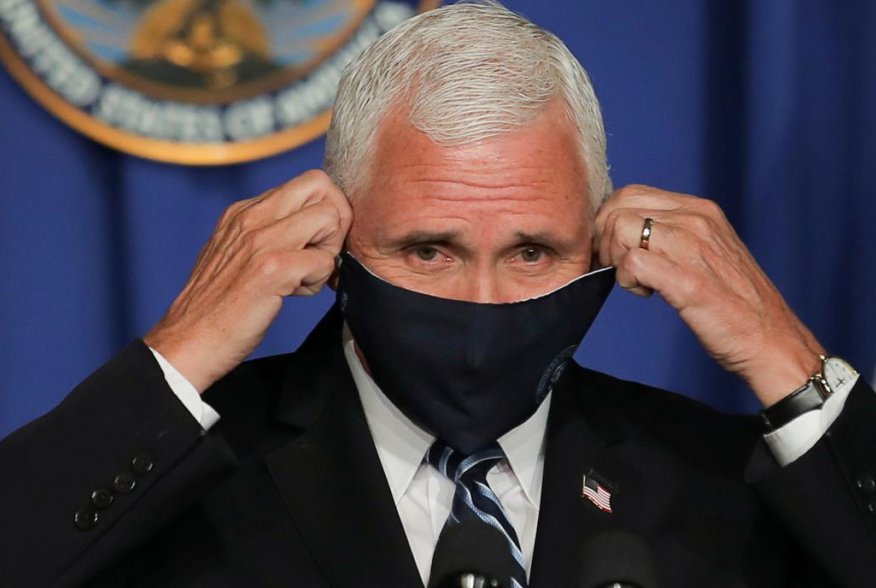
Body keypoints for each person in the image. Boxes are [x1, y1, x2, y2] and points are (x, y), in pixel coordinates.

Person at [1, 2, 875, 587]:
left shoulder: (721, 482)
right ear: (334, 242)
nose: (485, 302)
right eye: (429, 250)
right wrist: (182, 352)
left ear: (605, 242)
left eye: (533, 251)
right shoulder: (178, 481)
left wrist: (788, 362)